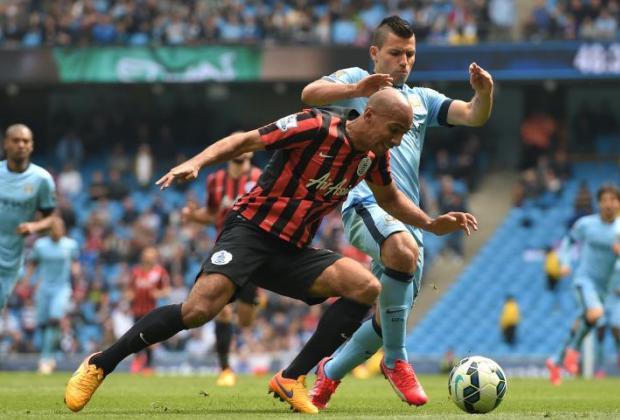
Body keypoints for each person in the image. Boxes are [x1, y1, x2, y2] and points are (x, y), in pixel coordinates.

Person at [64, 88, 477, 414]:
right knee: (198, 311)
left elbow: (389, 199)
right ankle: (101, 363)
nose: (398, 139)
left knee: (365, 287)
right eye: (394, 129)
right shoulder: (314, 126)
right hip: (249, 233)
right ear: (368, 115)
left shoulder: (373, 157)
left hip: (292, 251)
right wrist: (197, 162)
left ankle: (291, 377)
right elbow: (246, 139)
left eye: (404, 132)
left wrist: (429, 223)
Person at [300, 15, 492, 408]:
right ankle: (397, 360)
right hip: (365, 202)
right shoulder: (359, 80)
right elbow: (310, 94)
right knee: (401, 260)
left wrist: (484, 93)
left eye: (410, 54)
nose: (404, 61)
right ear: (375, 53)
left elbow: (473, 115)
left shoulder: (422, 99)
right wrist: (357, 88)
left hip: (406, 215)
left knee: (391, 313)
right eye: (395, 53)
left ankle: (327, 375)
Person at [181, 151, 262, 387]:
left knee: (246, 320)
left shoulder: (261, 176)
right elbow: (212, 212)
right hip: (224, 251)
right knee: (223, 311)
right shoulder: (215, 180)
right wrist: (193, 216)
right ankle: (225, 369)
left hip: (254, 253)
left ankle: (252, 303)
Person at [546, 184, 620, 386]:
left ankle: (555, 360)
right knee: (595, 314)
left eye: (613, 200)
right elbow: (567, 242)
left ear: (619, 204)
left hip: (603, 288)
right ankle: (573, 353)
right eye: (604, 200)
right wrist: (566, 263)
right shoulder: (586, 224)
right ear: (599, 203)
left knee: (584, 321)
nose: (609, 204)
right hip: (584, 280)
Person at [0, 124, 57, 309]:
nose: (21, 145)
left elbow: (51, 220)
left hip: (11, 259)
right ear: (5, 144)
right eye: (16, 140)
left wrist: (34, 227)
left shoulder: (42, 179)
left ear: (32, 146)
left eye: (26, 141)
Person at [26, 217, 80, 373]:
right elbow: (32, 264)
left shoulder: (70, 245)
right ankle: (48, 356)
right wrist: (27, 282)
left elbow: (75, 263)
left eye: (60, 227)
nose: (57, 230)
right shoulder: (40, 245)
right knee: (43, 324)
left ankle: (46, 358)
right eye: (54, 227)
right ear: (49, 229)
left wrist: (78, 275)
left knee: (55, 319)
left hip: (62, 288)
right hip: (43, 288)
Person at [126, 247, 171, 375]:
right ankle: (138, 360)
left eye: (151, 255)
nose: (149, 258)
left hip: (151, 310)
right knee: (135, 336)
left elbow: (167, 290)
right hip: (136, 310)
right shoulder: (135, 272)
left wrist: (158, 293)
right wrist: (129, 295)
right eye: (146, 255)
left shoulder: (160, 272)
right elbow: (129, 289)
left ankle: (148, 365)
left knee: (150, 337)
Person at [594, 261, 620, 378]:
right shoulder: (601, 258)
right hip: (602, 299)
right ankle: (600, 368)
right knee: (600, 332)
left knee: (616, 330)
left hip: (617, 301)